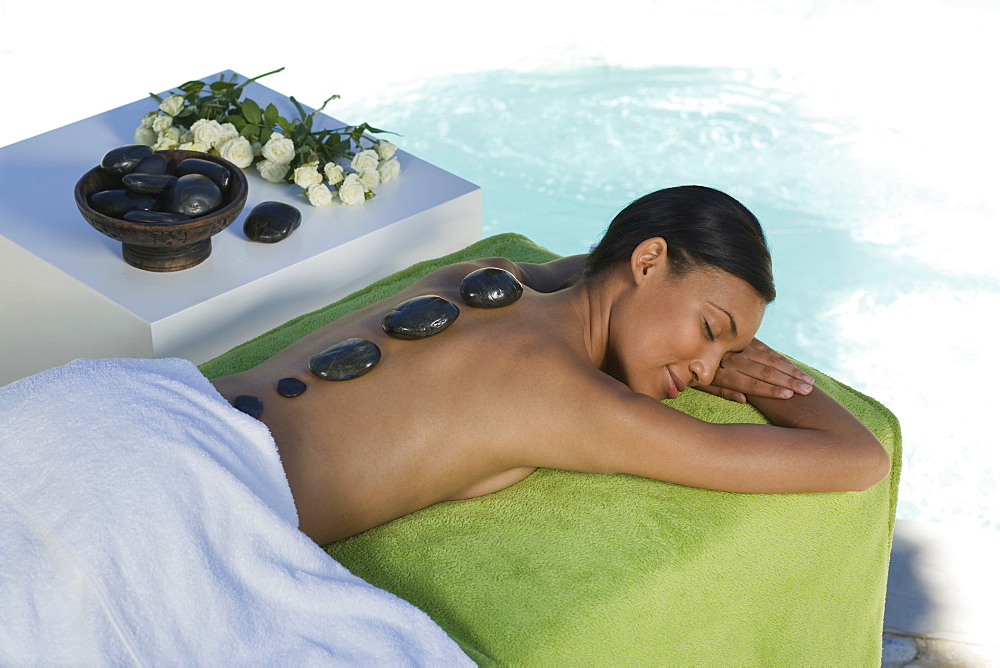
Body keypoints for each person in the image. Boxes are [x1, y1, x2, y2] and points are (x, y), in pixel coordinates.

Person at [210, 185, 891, 545]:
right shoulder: (566, 397)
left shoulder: (489, 277)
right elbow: (858, 458)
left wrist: (717, 338)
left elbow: (584, 270)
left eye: (728, 353)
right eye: (713, 330)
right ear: (647, 261)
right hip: (201, 500)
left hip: (166, 405)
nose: (712, 369)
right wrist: (776, 378)